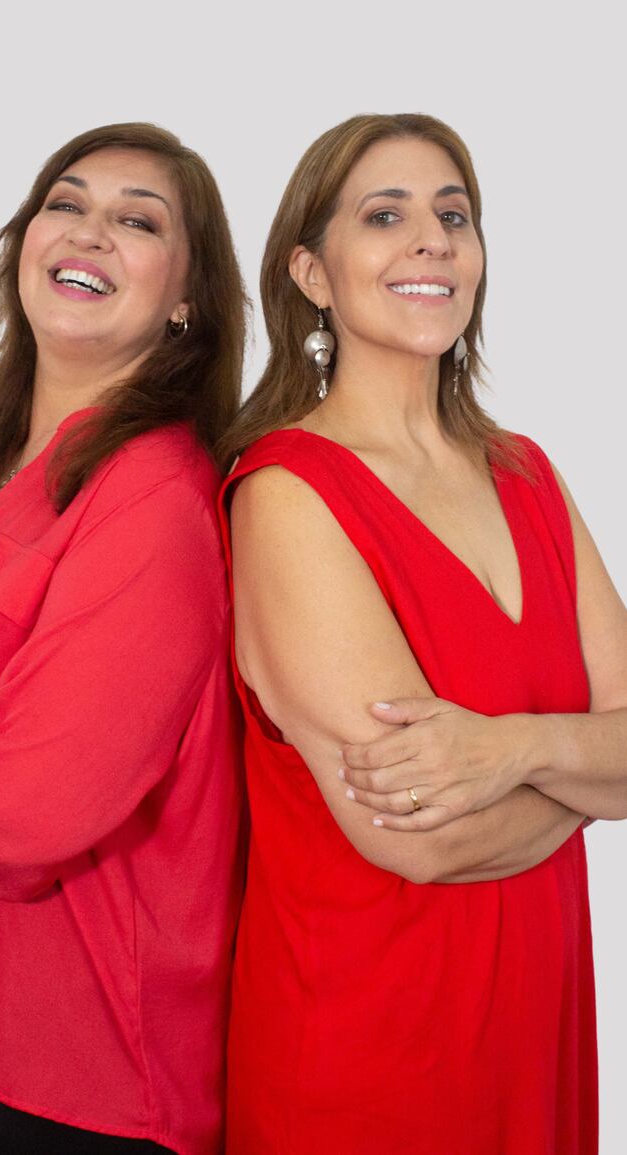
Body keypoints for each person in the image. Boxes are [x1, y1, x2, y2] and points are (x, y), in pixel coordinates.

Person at [217, 113, 627, 1154]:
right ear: (311, 273)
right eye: (383, 216)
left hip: (532, 1029)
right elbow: (422, 837)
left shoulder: (528, 475)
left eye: (453, 215)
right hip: (367, 1054)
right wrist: (590, 771)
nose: (431, 240)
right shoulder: (286, 494)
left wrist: (512, 749)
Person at [0, 122, 246, 1155]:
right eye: (65, 203)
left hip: (75, 1054)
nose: (89, 231)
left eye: (138, 221)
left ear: (188, 299)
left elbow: (31, 810)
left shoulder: (157, 497)